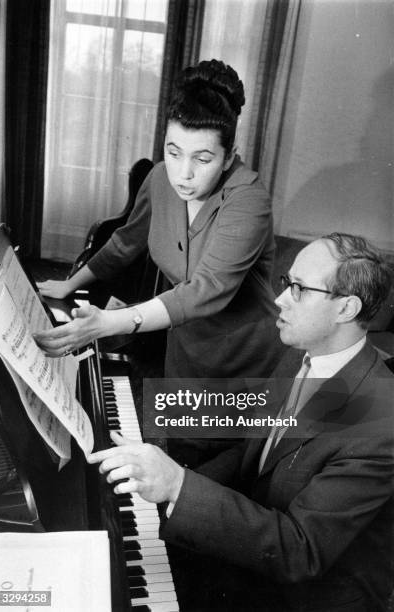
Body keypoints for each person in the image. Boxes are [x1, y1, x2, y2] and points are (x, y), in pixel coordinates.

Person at [87, 232, 394, 611]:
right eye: (286, 282)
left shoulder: (380, 422)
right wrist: (175, 485)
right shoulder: (300, 354)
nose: (280, 299)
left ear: (346, 309)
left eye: (298, 289)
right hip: (263, 541)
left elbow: (301, 550)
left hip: (310, 594)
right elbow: (256, 452)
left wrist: (179, 487)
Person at [36, 59, 280, 382]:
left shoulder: (249, 200)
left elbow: (204, 289)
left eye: (202, 159)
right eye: (174, 151)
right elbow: (125, 243)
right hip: (183, 352)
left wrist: (111, 322)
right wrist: (72, 282)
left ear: (229, 157)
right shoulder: (160, 179)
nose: (183, 172)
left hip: (243, 365)